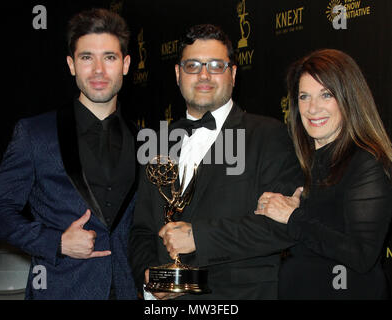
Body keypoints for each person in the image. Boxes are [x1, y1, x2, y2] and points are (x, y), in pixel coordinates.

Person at [129, 24, 301, 300]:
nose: (204, 75)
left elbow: (281, 227)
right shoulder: (158, 143)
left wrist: (199, 236)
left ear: (232, 73)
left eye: (216, 65)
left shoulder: (268, 136)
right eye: (193, 65)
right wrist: (150, 279)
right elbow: (142, 228)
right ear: (177, 74)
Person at [0, 8, 138, 299]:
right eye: (87, 58)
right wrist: (56, 242)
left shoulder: (144, 140)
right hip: (61, 290)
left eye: (109, 57)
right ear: (71, 65)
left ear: (126, 64)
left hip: (127, 290)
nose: (98, 70)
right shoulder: (35, 134)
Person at [255, 49, 392, 299]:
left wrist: (293, 217)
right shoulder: (301, 161)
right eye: (304, 96)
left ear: (348, 98)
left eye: (326, 95)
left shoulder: (365, 163)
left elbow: (362, 255)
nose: (313, 108)